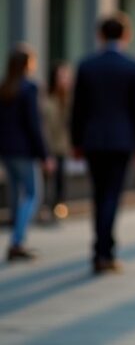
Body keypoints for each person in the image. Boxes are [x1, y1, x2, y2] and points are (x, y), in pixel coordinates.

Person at [71, 13, 135, 275]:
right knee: (112, 196)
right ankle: (105, 252)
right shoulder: (132, 65)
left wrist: (76, 141)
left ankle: (100, 249)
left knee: (98, 194)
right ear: (126, 36)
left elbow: (78, 108)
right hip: (121, 140)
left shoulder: (86, 65)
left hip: (93, 140)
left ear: (100, 35)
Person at [1, 44, 53, 261]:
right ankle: (17, 241)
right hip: (25, 151)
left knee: (16, 194)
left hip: (7, 150)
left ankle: (17, 238)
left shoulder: (5, 88)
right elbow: (34, 125)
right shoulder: (30, 88)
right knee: (32, 195)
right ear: (27, 64)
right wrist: (45, 155)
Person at [40, 61, 73, 222]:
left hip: (62, 147)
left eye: (67, 77)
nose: (65, 80)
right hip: (49, 147)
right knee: (46, 180)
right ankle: (44, 209)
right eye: (62, 76)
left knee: (61, 180)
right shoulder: (48, 100)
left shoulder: (69, 100)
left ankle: (58, 209)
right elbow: (44, 127)